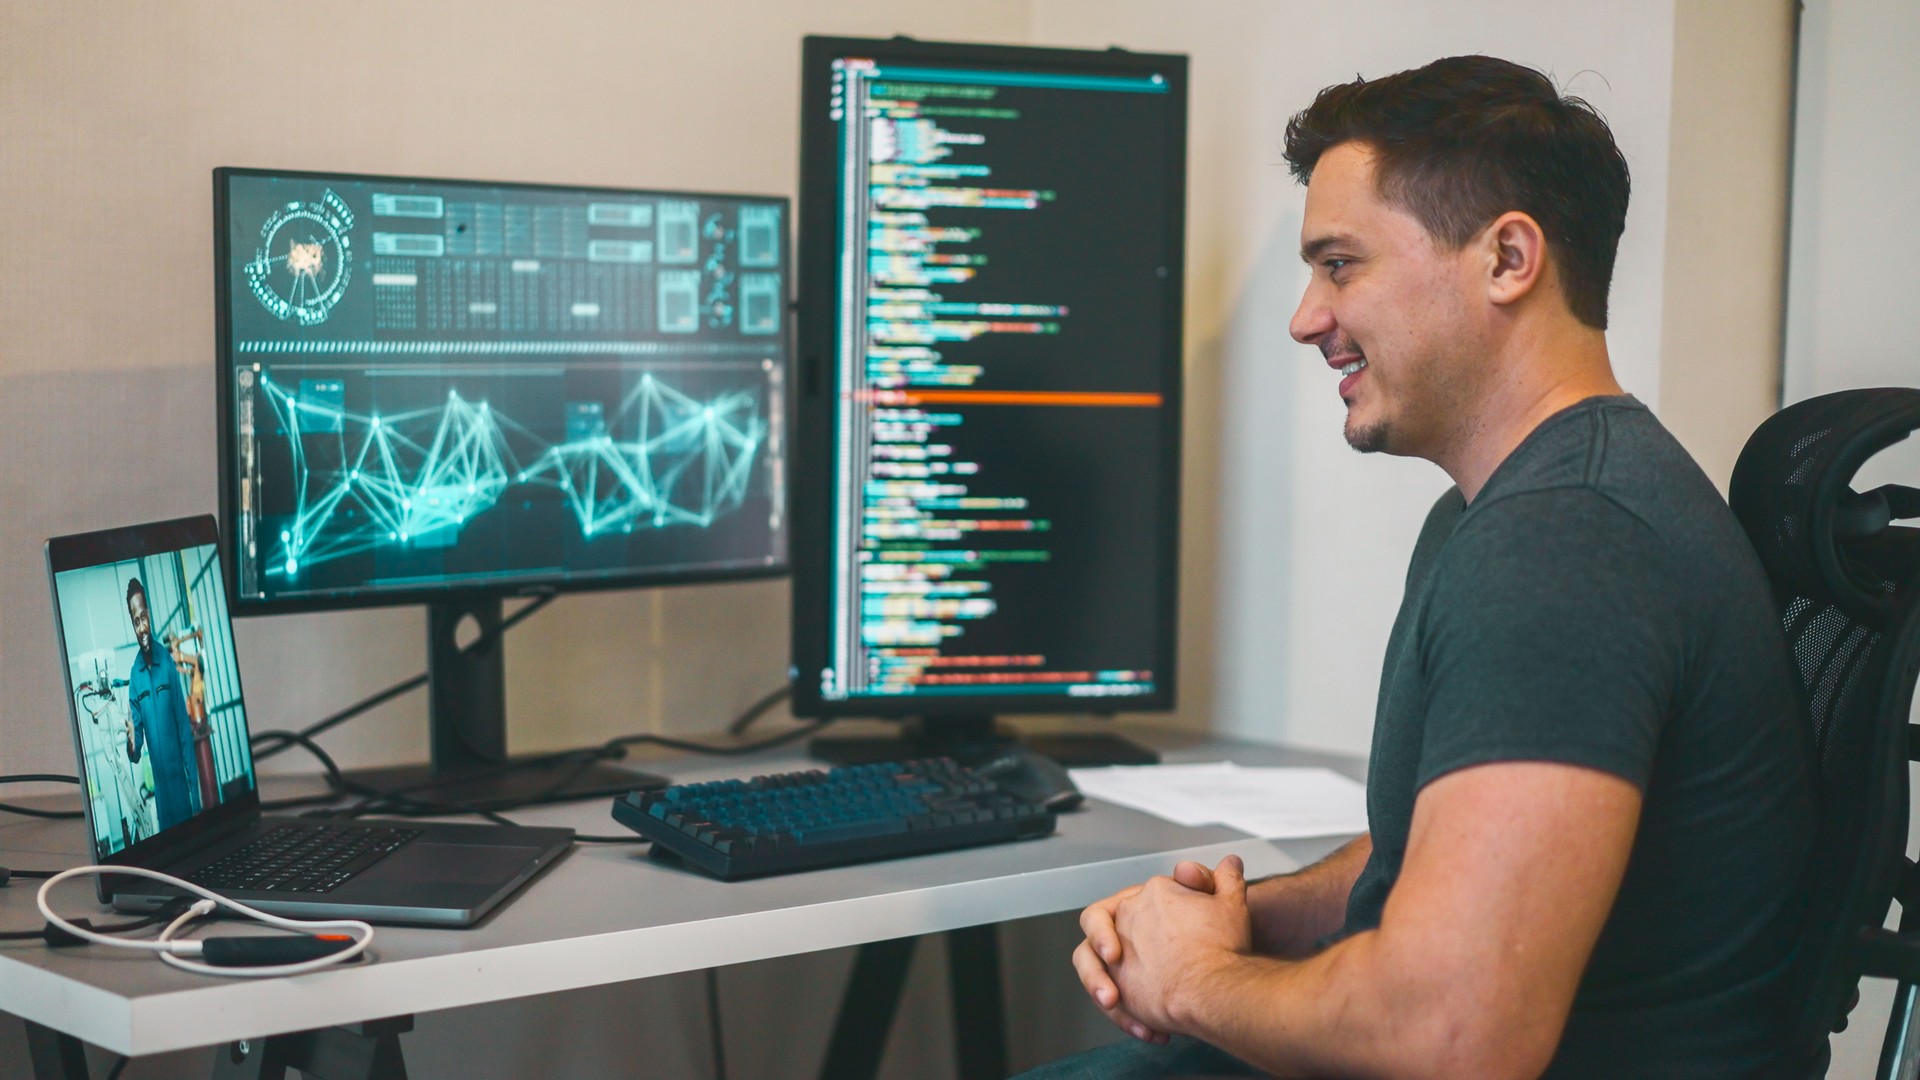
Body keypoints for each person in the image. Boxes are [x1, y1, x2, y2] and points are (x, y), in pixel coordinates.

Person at [1034, 55, 1817, 1079]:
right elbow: (1443, 851)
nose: (1305, 316)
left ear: (1507, 259)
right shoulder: (1517, 510)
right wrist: (1236, 923)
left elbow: (1453, 1036)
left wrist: (1191, 983)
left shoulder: (1567, 544)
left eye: (1341, 264)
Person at [123, 577, 202, 831]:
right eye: (136, 622)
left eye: (143, 618)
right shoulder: (135, 676)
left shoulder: (167, 662)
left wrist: (196, 798)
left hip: (180, 788)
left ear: (149, 615)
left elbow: (184, 731)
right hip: (162, 796)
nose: (141, 627)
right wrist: (131, 744)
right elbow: (135, 753)